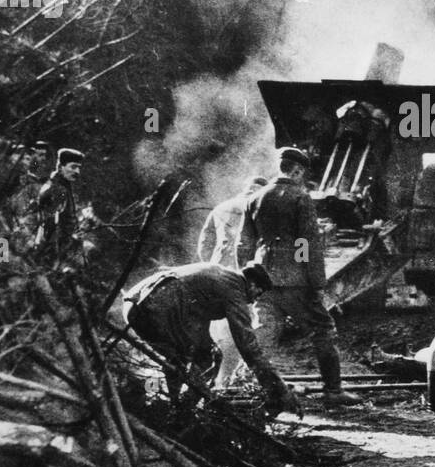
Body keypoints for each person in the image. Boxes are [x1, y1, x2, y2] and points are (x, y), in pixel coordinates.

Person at [238, 146, 359, 407]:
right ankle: (333, 391)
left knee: (263, 332)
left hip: (262, 277)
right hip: (295, 281)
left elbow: (244, 245)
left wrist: (246, 278)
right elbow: (306, 243)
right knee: (323, 330)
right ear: (297, 170)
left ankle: (246, 385)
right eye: (302, 173)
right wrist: (315, 282)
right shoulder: (300, 197)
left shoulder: (254, 198)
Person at [123, 261, 294, 413]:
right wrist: (278, 388)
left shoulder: (218, 275)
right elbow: (247, 345)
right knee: (181, 360)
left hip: (136, 303)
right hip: (152, 308)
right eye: (258, 293)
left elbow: (196, 317)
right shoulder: (234, 288)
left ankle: (176, 406)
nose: (254, 301)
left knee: (204, 357)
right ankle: (179, 411)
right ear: (252, 285)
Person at [197, 176, 268, 386]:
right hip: (246, 276)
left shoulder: (220, 207)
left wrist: (212, 264)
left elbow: (204, 244)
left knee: (217, 327)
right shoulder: (259, 208)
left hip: (217, 273)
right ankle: (231, 380)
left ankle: (212, 380)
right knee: (241, 329)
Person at [35, 148, 86, 267]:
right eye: (73, 167)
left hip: (61, 248)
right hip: (50, 254)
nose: (77, 171)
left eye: (79, 167)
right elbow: (49, 227)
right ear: (61, 166)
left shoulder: (63, 186)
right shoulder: (57, 189)